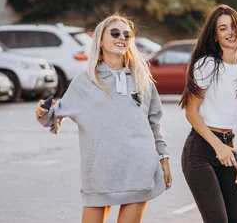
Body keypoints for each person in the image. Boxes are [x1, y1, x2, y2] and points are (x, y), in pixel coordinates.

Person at [35, 14, 172, 223]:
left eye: (127, 35)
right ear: (100, 40)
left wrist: (163, 157)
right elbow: (53, 116)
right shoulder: (84, 81)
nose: (122, 38)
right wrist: (42, 112)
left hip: (139, 168)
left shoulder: (142, 78)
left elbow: (154, 122)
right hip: (99, 173)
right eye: (115, 33)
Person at [180, 4, 237, 223]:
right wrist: (218, 147)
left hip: (229, 150)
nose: (230, 32)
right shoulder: (207, 64)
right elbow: (191, 112)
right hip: (201, 150)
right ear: (215, 36)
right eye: (223, 28)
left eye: (233, 26)